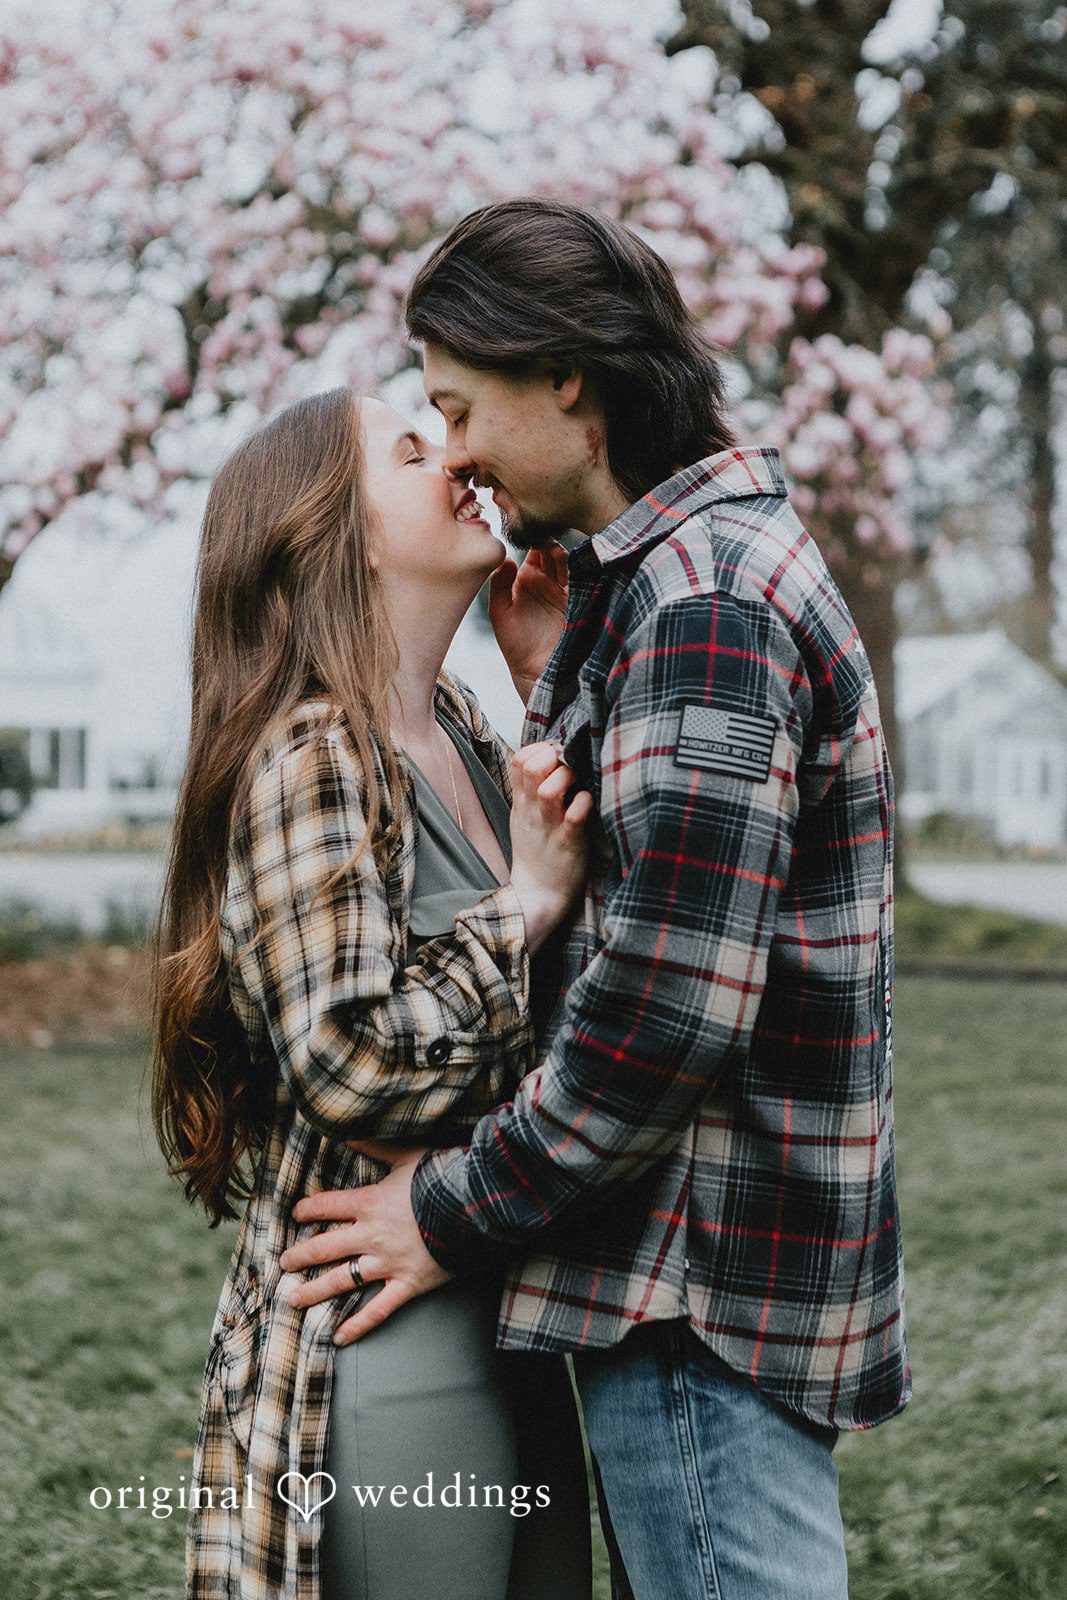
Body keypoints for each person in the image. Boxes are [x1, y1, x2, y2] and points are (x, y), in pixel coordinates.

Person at [280, 199, 911, 1600]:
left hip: (692, 1277)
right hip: (703, 1258)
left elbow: (663, 1012)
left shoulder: (703, 604)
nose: (451, 453)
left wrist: (445, 1212)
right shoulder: (681, 581)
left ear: (562, 375)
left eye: (456, 406)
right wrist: (552, 667)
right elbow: (644, 872)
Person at [151, 386, 594, 1600]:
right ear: (330, 533)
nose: (457, 454)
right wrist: (524, 914)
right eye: (410, 449)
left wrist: (546, 677)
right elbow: (346, 1058)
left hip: (506, 1293)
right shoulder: (311, 755)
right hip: (385, 1340)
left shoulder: (456, 723)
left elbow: (579, 1006)